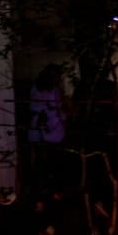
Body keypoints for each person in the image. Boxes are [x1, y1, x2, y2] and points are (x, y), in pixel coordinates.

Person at [27, 65, 69, 194]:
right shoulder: (45, 89)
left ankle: (47, 189)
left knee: (48, 160)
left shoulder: (48, 89)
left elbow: (58, 108)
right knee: (46, 160)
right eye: (58, 77)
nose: (60, 79)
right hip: (47, 127)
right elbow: (54, 107)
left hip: (49, 128)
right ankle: (44, 189)